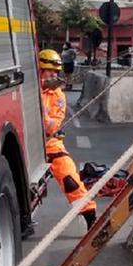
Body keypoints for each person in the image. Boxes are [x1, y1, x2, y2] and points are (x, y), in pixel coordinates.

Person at [38, 49, 98, 229]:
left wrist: (39, 110)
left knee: (69, 178)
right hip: (25, 144)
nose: (53, 75)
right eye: (49, 71)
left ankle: (89, 214)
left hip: (50, 143)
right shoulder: (28, 89)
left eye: (56, 72)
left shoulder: (58, 96)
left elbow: (52, 126)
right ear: (39, 70)